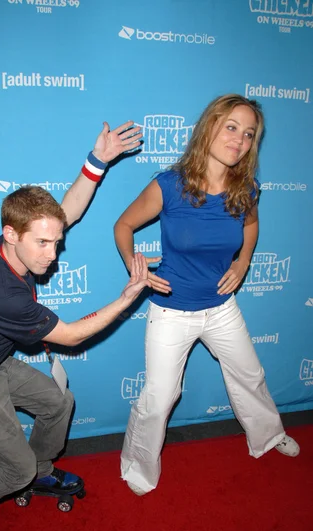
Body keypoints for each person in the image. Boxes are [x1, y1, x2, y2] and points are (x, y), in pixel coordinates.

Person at [0, 120, 149, 531]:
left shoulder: (13, 240)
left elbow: (66, 212)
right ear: (12, 236)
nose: (52, 255)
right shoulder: (2, 292)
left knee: (59, 402)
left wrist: (97, 161)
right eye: (42, 244)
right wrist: (128, 296)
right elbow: (73, 336)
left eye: (55, 243)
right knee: (12, 472)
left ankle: (41, 471)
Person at [114, 94, 300, 496]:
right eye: (231, 127)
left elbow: (250, 229)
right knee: (161, 396)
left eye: (248, 134)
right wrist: (136, 267)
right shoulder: (169, 185)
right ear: (210, 127)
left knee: (250, 376)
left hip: (221, 308)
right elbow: (123, 225)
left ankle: (268, 436)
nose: (239, 139)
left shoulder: (246, 188)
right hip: (171, 311)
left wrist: (243, 262)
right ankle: (137, 468)